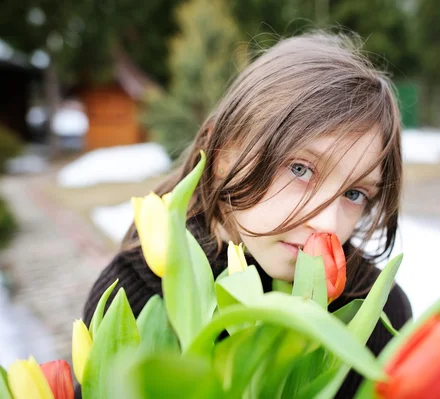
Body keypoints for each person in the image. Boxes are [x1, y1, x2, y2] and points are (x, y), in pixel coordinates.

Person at [80, 32, 412, 398]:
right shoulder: (137, 293)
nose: (327, 224)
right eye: (301, 169)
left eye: (354, 193)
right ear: (223, 156)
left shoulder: (376, 313)